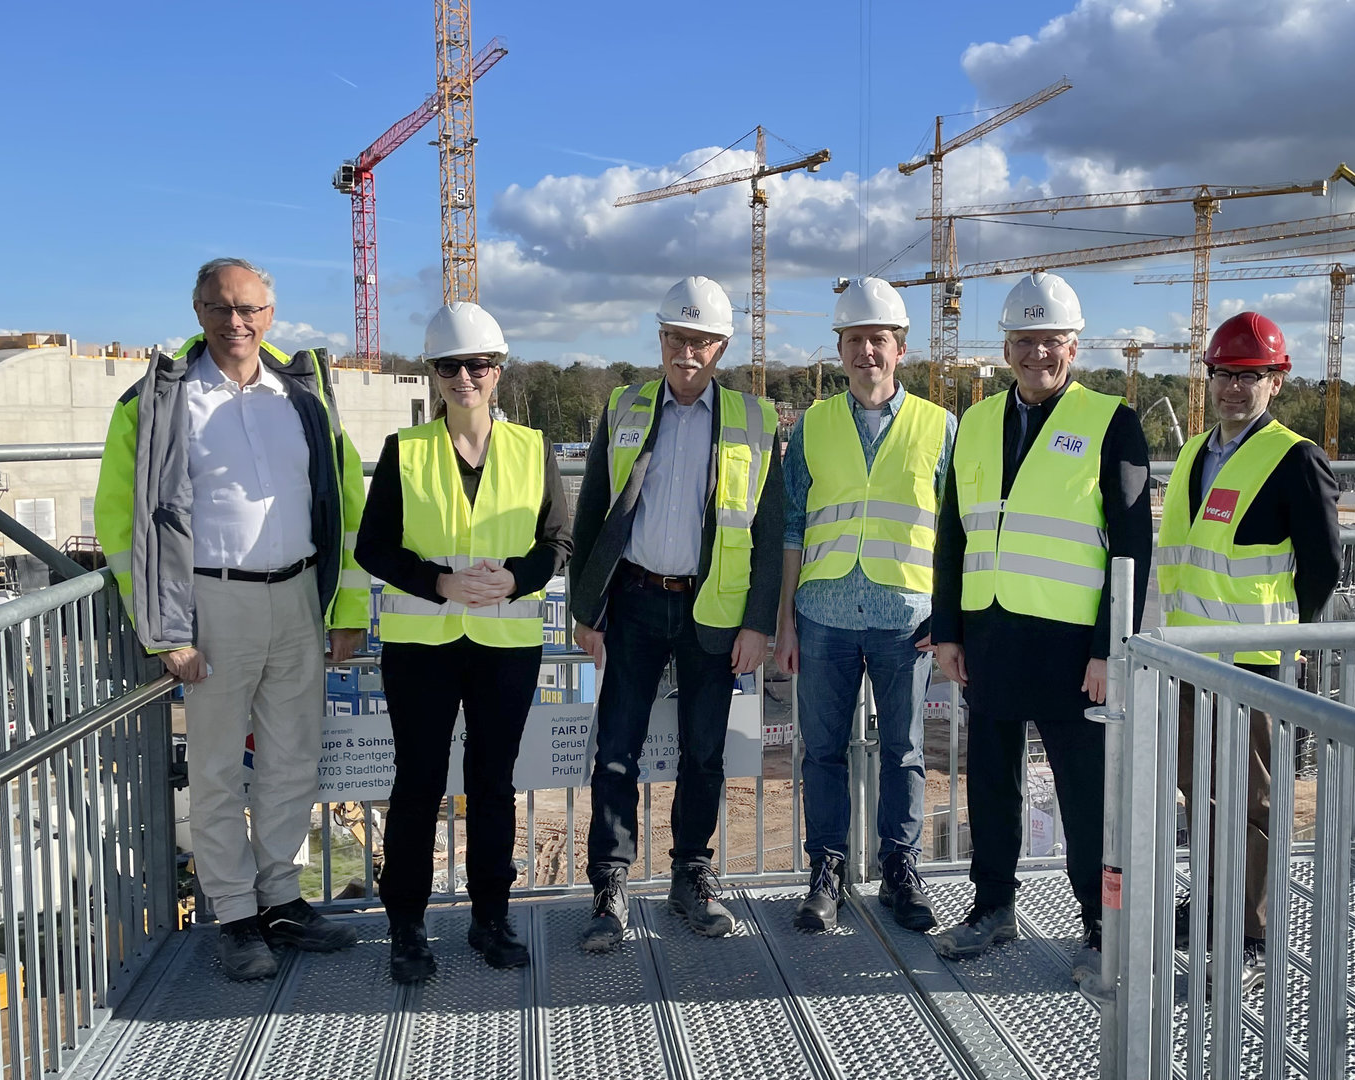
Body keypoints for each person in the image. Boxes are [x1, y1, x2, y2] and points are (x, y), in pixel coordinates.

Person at [94, 258, 369, 981]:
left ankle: (281, 898)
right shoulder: (158, 402)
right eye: (220, 307)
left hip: (300, 596)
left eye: (249, 308)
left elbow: (344, 503)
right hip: (213, 605)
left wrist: (347, 608)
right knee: (216, 769)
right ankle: (236, 914)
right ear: (197, 311)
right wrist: (164, 629)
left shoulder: (303, 395)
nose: (235, 321)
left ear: (270, 314)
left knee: (291, 759)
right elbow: (121, 523)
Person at [929, 271, 1152, 981]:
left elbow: (1132, 546)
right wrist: (948, 629)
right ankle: (992, 906)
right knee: (991, 783)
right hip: (990, 635)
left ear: (1073, 347)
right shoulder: (976, 423)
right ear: (1006, 348)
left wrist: (1109, 649)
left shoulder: (1111, 422)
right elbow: (952, 535)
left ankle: (1099, 926)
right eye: (1023, 341)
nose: (1036, 354)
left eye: (1049, 340)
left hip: (1071, 648)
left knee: (1086, 794)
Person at [352, 302, 572, 982]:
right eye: (449, 366)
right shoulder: (406, 450)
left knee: (492, 784)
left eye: (476, 365)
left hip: (505, 645)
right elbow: (373, 547)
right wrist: (439, 583)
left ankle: (490, 917)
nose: (463, 378)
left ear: (498, 371)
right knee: (418, 782)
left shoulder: (532, 449)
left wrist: (517, 579)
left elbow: (557, 542)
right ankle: (406, 926)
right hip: (423, 645)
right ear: (434, 374)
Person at [567, 276, 785, 951]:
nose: (685, 352)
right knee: (616, 751)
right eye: (675, 338)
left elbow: (768, 529)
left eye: (699, 341)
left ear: (721, 347)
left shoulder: (755, 420)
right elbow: (593, 508)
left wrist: (759, 623)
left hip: (712, 608)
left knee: (705, 752)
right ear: (660, 339)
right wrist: (585, 607)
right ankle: (610, 885)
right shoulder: (624, 406)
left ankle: (692, 873)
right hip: (634, 601)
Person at [1158, 311, 1340, 992]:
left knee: (1252, 800)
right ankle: (1211, 898)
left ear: (1275, 382)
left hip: (1255, 661)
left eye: (1250, 376)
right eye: (1224, 375)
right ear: (1209, 378)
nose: (1234, 388)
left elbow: (1323, 565)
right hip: (1190, 654)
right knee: (1200, 791)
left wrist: (1288, 635)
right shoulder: (1193, 453)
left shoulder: (1294, 457)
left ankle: (1251, 929)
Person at [777, 277, 953, 933]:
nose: (866, 352)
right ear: (840, 349)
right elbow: (793, 525)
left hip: (906, 619)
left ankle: (900, 871)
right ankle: (826, 871)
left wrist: (948, 613)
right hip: (823, 615)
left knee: (903, 752)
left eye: (878, 339)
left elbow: (955, 530)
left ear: (901, 348)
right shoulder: (813, 424)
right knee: (821, 751)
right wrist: (785, 621)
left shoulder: (939, 426)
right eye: (854, 340)